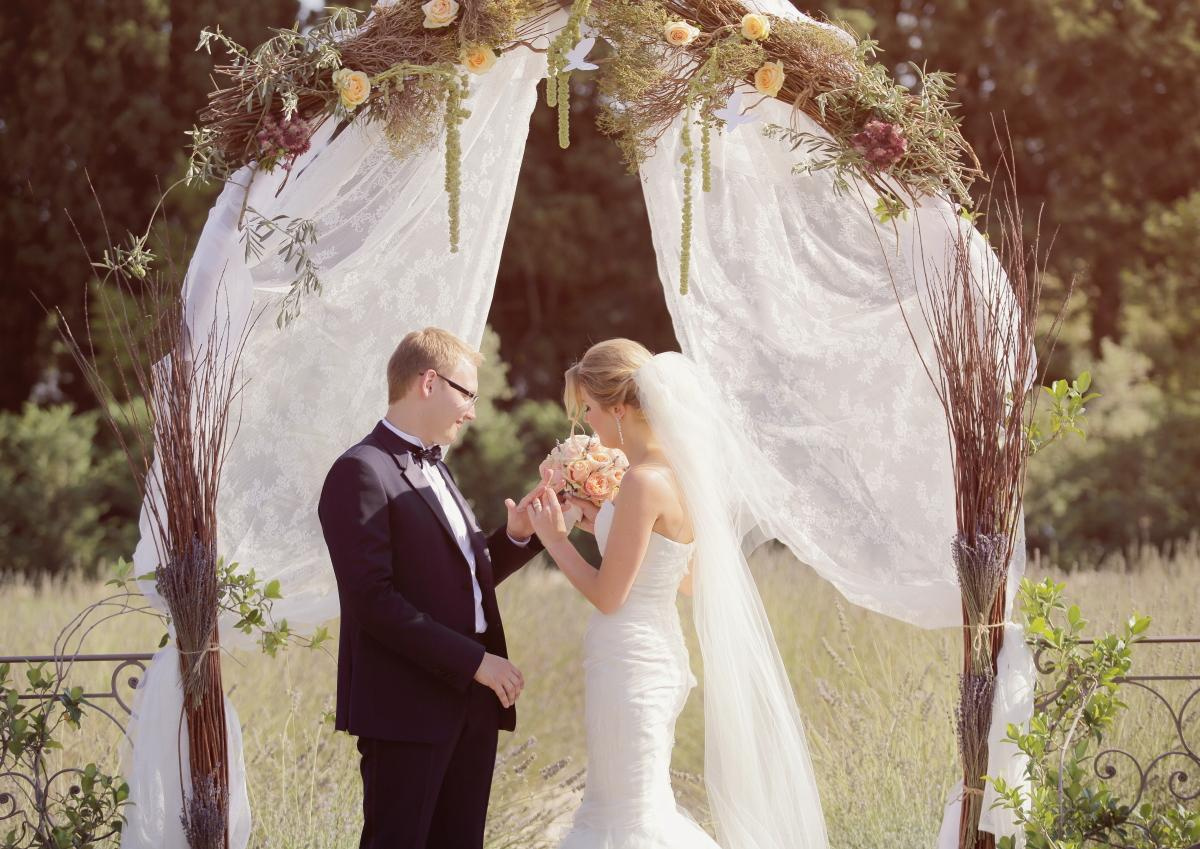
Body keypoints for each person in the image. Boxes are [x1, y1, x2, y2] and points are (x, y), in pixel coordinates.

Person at [526, 339, 830, 849]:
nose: (590, 426)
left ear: (620, 408)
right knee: (631, 805)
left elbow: (609, 595)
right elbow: (684, 579)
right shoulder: (677, 477)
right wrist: (598, 517)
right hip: (656, 654)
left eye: (592, 411)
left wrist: (554, 540)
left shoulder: (643, 482)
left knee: (628, 817)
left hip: (629, 663)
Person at [318, 326, 544, 849]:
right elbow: (372, 601)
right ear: (428, 381)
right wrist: (475, 661)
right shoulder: (359, 471)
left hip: (471, 703)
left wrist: (517, 537)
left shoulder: (438, 468)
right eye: (467, 393)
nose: (472, 411)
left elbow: (458, 573)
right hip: (407, 709)